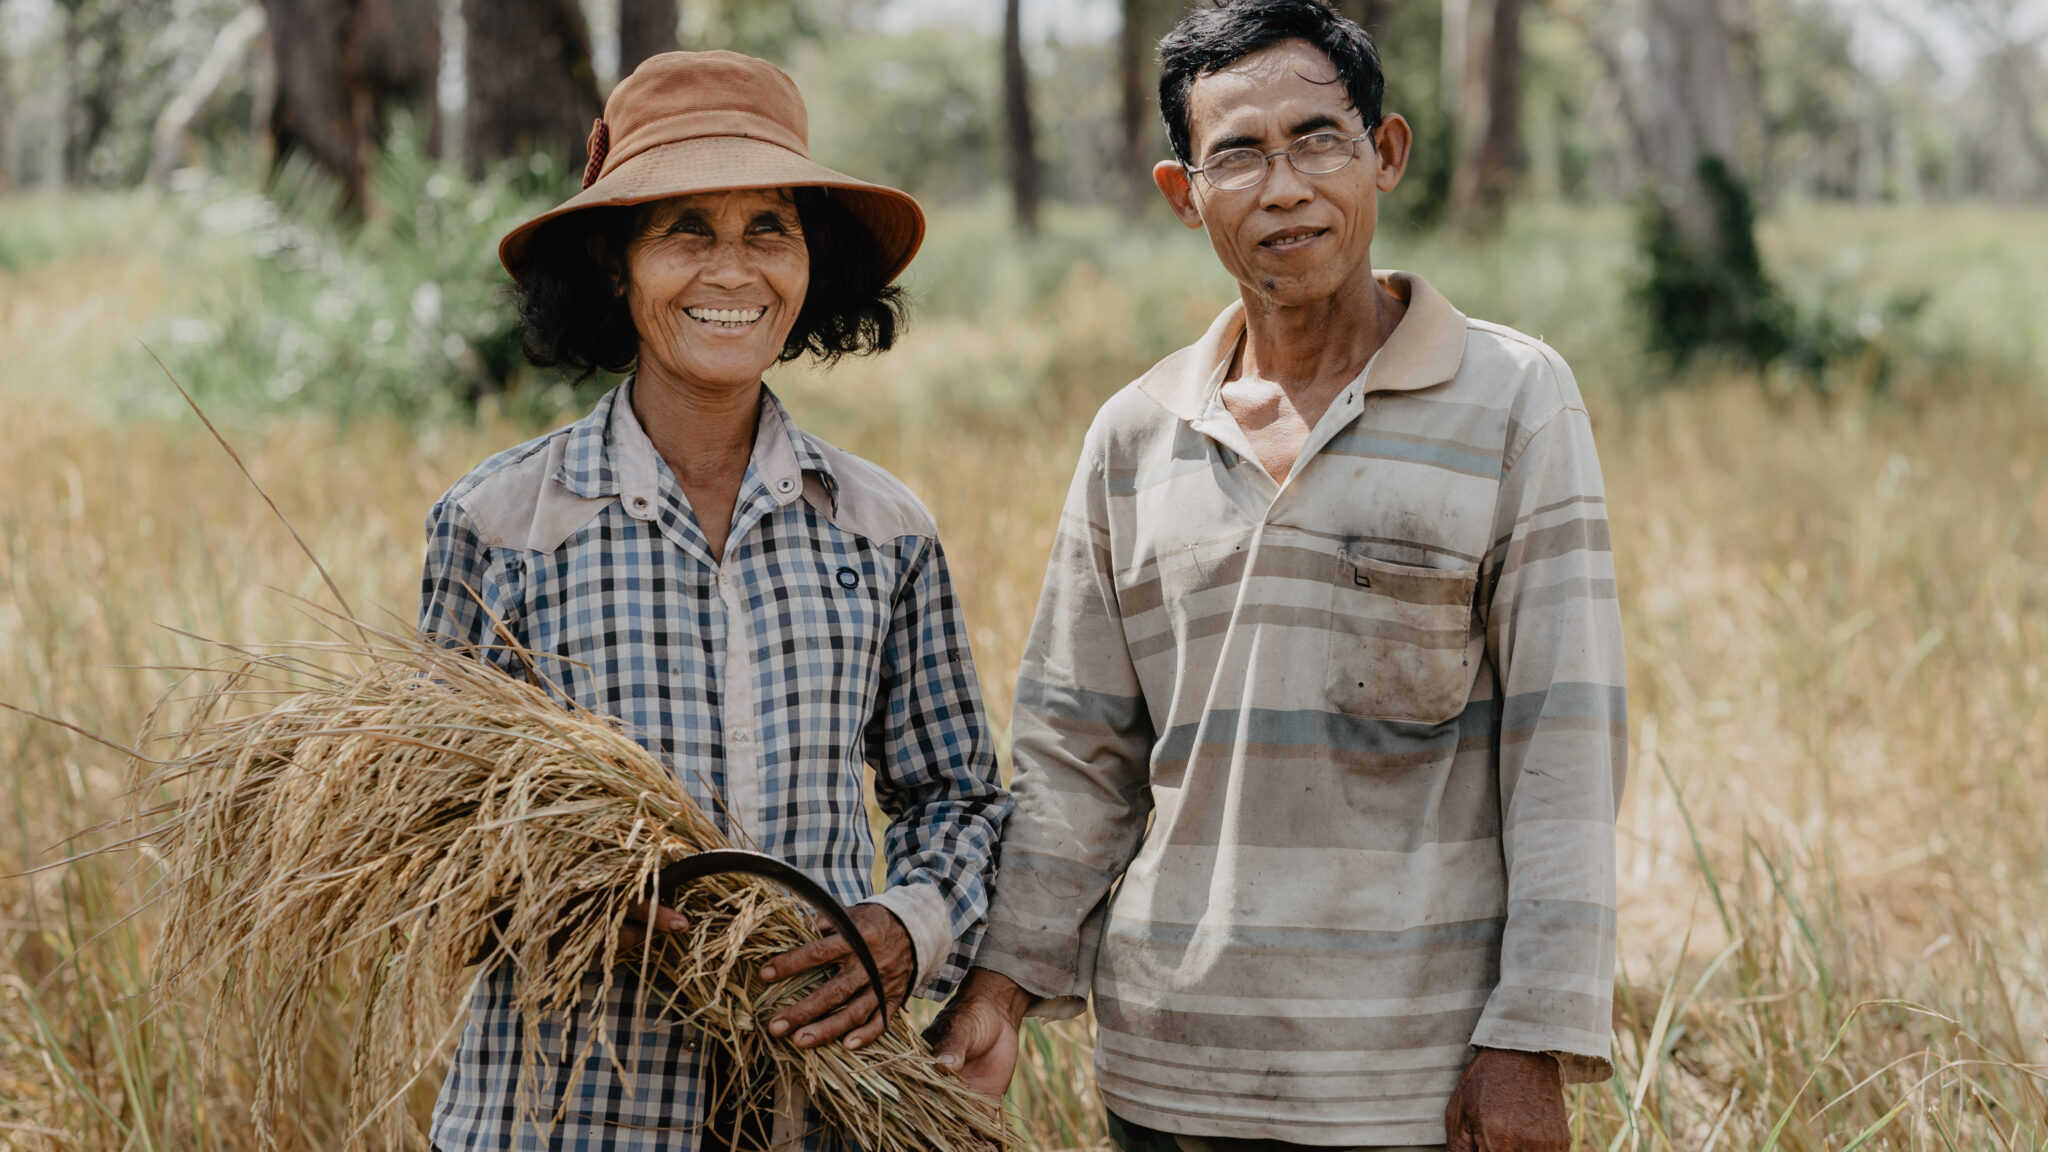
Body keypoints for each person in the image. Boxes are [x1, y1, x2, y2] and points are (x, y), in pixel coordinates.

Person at [926, 3, 1625, 1150]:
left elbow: (1565, 742)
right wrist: (1001, 985)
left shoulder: (1512, 397)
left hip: (1416, 1082)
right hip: (1167, 1077)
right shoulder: (1133, 433)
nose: (1284, 187)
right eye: (1238, 155)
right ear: (1180, 192)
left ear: (1383, 153)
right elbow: (1076, 753)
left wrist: (1531, 1037)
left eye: (1317, 140)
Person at [418, 50, 1009, 1151]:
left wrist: (907, 926)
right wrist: (565, 900)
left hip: (814, 1111)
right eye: (685, 228)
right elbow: (431, 837)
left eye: (767, 229)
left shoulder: (880, 530)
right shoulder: (498, 526)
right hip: (566, 1113)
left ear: (809, 262)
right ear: (615, 265)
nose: (730, 269)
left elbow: (959, 797)